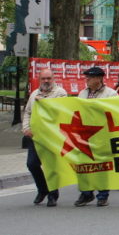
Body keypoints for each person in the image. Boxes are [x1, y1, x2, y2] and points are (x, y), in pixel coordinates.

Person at [23, 69, 67, 207]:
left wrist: (44, 101)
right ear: (39, 79)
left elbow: (59, 110)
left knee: (50, 166)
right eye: (43, 79)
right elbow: (28, 112)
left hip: (52, 137)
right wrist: (26, 128)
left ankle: (53, 195)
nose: (46, 81)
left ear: (53, 79)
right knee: (32, 164)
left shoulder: (60, 93)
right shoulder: (34, 94)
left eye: (49, 78)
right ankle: (43, 189)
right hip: (36, 137)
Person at [75, 67, 118, 207]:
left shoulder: (111, 94)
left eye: (90, 77)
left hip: (102, 135)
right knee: (83, 164)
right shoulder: (82, 93)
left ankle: (103, 195)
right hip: (85, 135)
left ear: (99, 78)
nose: (86, 79)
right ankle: (86, 193)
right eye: (86, 77)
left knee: (101, 165)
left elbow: (115, 113)